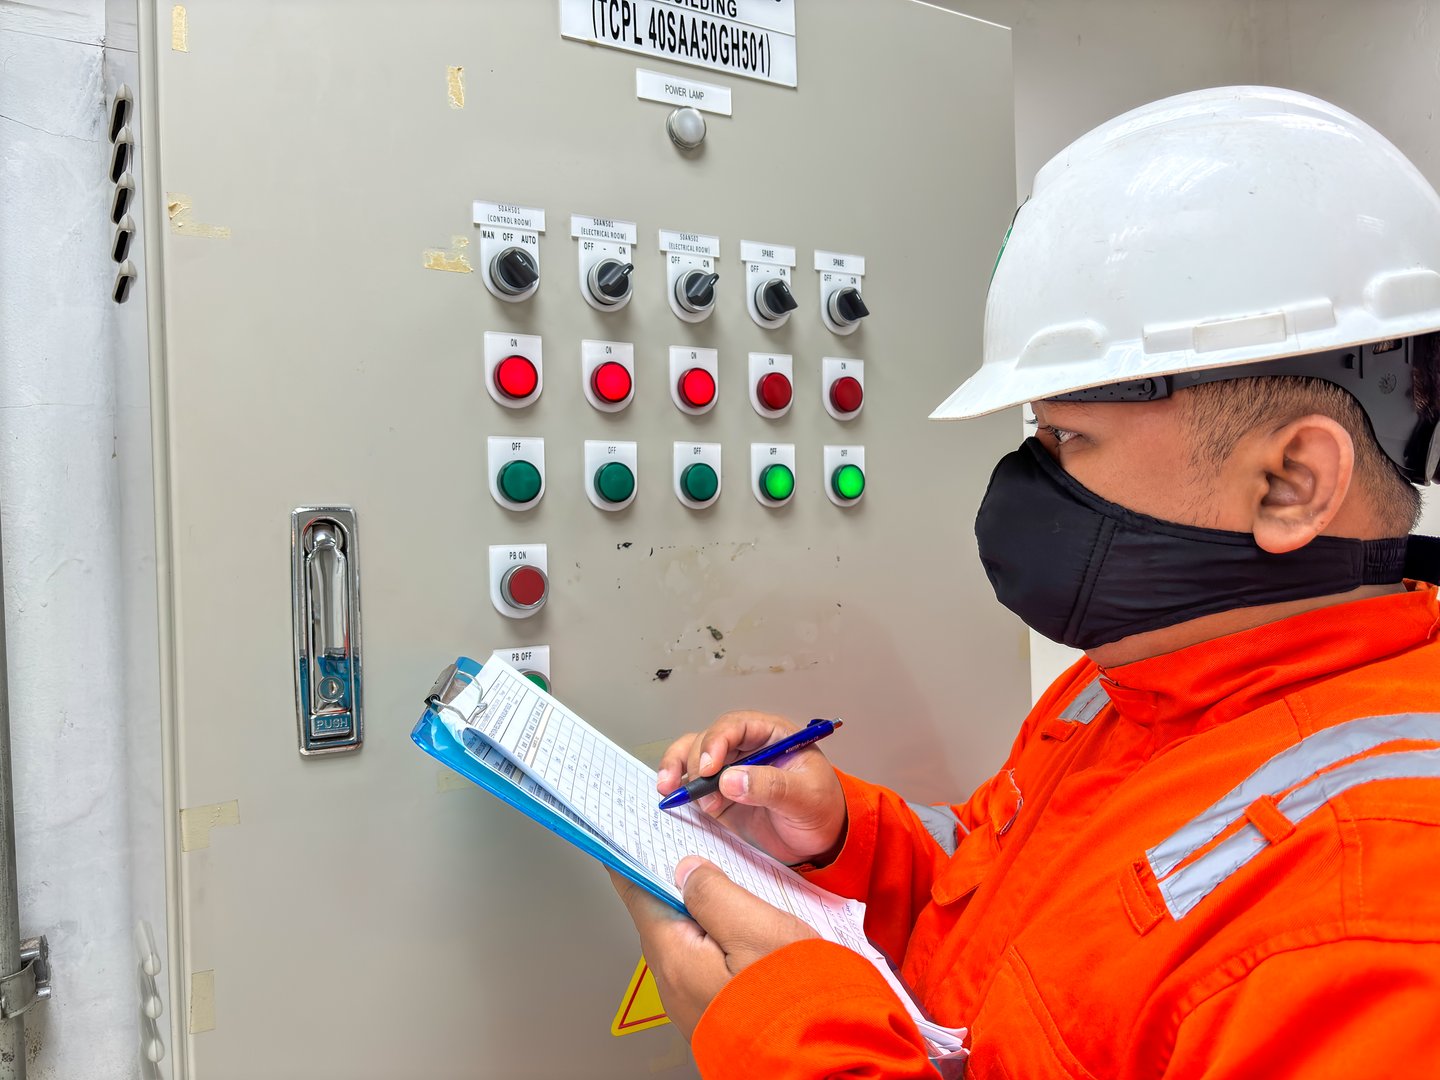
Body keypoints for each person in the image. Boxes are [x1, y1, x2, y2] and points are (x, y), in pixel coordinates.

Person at [611, 86, 1440, 1078]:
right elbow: (1006, 942)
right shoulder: (1134, 681)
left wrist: (784, 1038)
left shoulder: (1378, 915)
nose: (1029, 482)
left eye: (1067, 439)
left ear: (1291, 481)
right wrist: (843, 843)